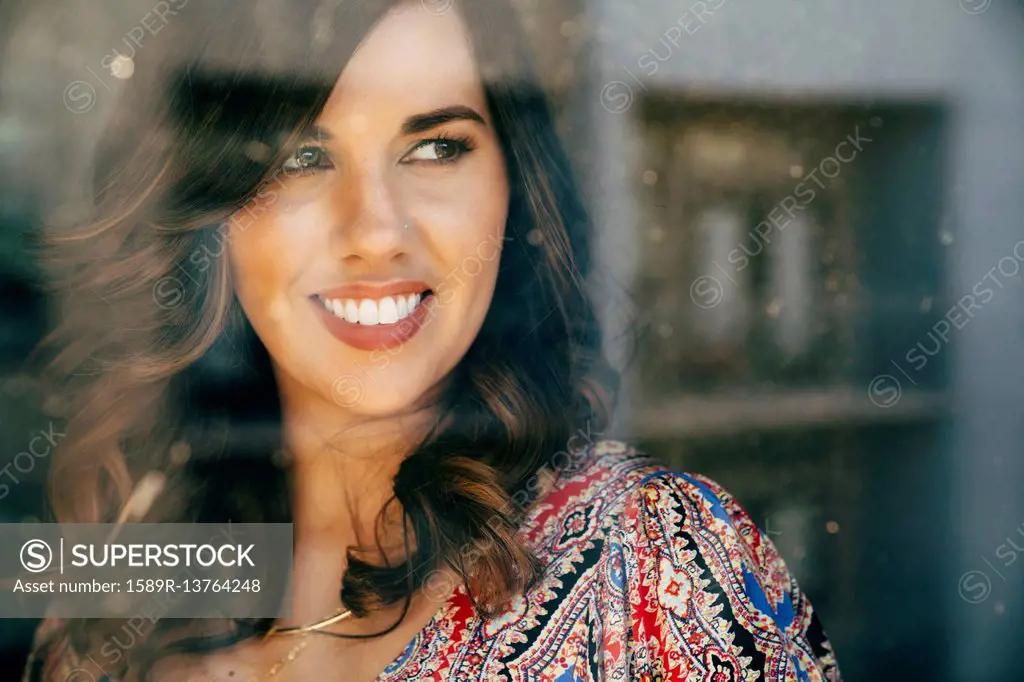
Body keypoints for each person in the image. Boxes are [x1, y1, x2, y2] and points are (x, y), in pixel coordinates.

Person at [23, 0, 842, 679]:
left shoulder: (656, 564)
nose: (376, 231)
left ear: (512, 192)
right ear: (215, 212)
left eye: (436, 146)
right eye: (304, 156)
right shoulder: (113, 598)